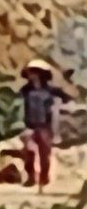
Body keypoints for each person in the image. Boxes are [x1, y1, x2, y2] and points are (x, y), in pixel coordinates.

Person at [20, 60, 66, 191]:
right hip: (29, 125)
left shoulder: (51, 91)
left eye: (33, 72)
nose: (31, 74)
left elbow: (60, 105)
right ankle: (30, 176)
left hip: (45, 126)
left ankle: (44, 178)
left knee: (44, 154)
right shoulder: (25, 91)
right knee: (28, 151)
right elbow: (20, 108)